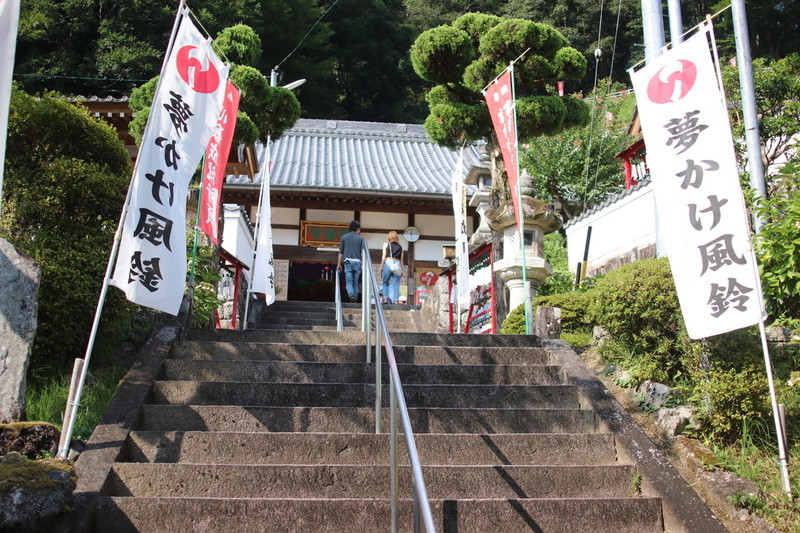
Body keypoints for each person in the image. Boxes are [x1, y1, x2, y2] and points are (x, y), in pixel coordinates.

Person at [337, 220, 366, 303]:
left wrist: (339, 264)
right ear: (357, 229)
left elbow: (341, 252)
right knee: (355, 283)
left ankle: (351, 295)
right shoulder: (361, 239)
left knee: (349, 281)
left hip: (347, 262)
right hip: (357, 262)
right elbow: (362, 253)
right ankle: (355, 300)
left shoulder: (344, 237)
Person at [381, 230, 403, 304]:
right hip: (397, 263)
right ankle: (396, 300)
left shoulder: (386, 244)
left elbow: (383, 257)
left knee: (385, 282)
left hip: (388, 262)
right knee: (396, 283)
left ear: (389, 237)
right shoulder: (400, 247)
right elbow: (401, 260)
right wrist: (402, 269)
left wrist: (381, 266)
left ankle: (385, 298)